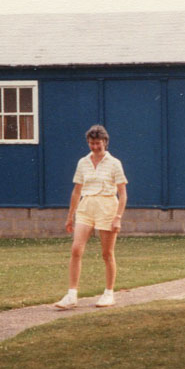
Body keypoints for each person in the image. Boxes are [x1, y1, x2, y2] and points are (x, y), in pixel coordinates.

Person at [54, 124, 128, 310]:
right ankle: (71, 295)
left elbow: (123, 194)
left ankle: (109, 293)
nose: (95, 147)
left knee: (106, 253)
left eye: (98, 143)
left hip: (107, 207)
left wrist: (118, 217)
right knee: (76, 249)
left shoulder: (114, 163)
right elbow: (76, 191)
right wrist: (70, 217)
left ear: (105, 142)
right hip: (86, 207)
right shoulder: (83, 162)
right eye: (91, 143)